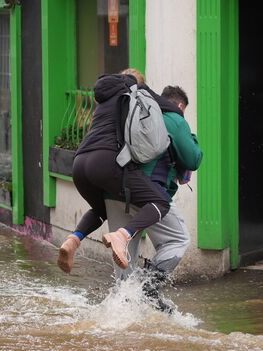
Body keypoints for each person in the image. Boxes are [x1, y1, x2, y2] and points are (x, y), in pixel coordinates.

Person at [57, 70, 184, 273]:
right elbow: (171, 109)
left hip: (80, 163)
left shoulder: (106, 97)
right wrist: (178, 114)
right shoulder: (135, 89)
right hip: (106, 161)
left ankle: (73, 240)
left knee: (100, 210)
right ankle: (122, 235)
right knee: (160, 202)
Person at [105, 85, 202, 311]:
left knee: (124, 251)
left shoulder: (135, 112)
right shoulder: (173, 118)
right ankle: (148, 287)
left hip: (114, 190)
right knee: (178, 239)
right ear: (179, 105)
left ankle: (121, 311)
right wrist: (191, 137)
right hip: (148, 192)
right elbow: (193, 159)